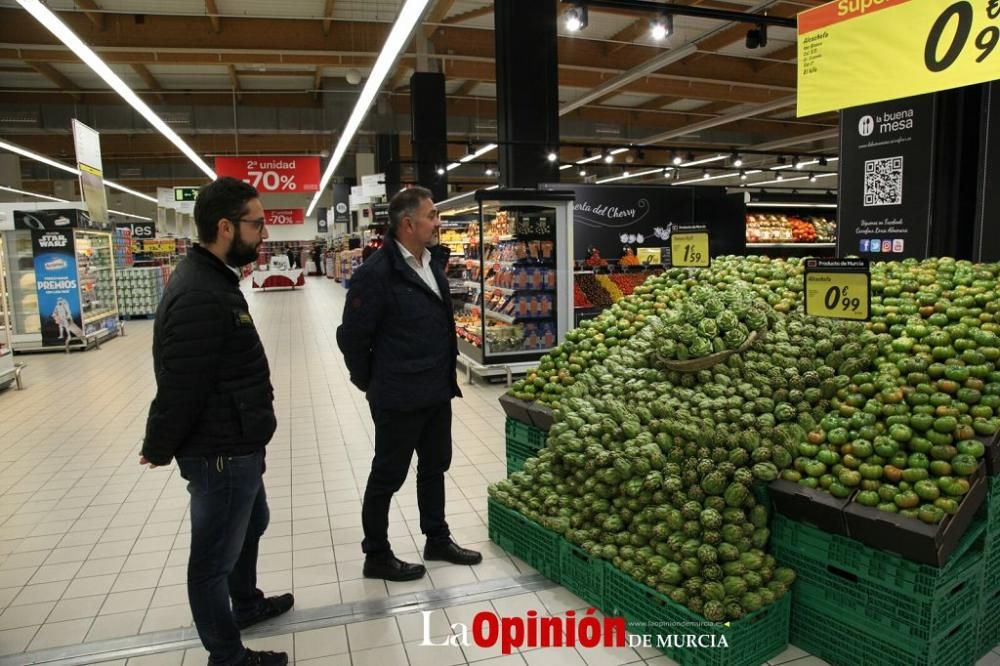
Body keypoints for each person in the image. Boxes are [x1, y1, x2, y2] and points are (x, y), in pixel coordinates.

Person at [140, 177, 292, 666]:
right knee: (211, 561)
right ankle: (228, 656)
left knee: (254, 522)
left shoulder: (212, 278)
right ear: (226, 227)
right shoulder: (202, 293)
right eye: (257, 223)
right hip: (221, 451)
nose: (263, 233)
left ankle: (245, 603)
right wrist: (158, 443)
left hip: (239, 439)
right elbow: (181, 383)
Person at [337, 186, 482, 582]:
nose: (438, 223)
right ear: (407, 223)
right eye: (432, 216)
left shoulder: (432, 264)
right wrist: (371, 381)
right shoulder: (376, 274)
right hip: (398, 395)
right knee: (388, 474)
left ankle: (437, 537)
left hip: (436, 389)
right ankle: (377, 554)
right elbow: (351, 337)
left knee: (435, 466)